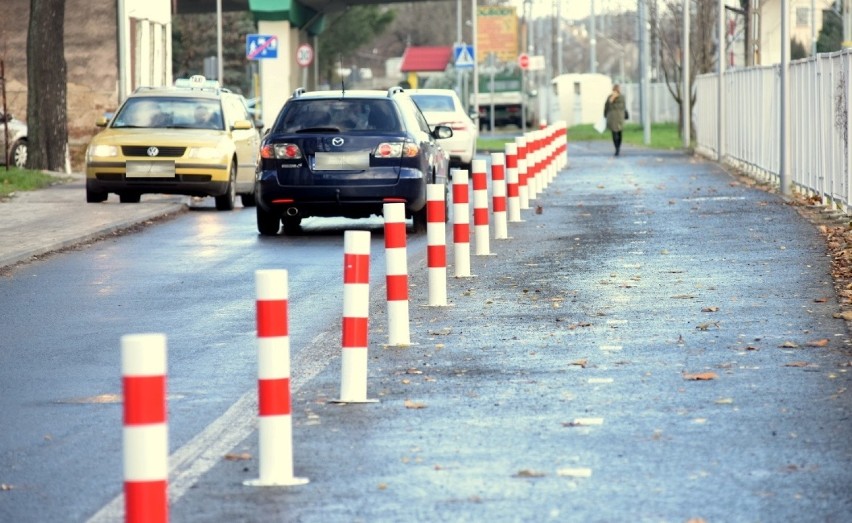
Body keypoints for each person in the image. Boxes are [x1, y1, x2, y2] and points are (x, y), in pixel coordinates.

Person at [603, 84, 627, 156]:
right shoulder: (611, 98)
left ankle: (617, 148)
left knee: (616, 133)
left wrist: (604, 115)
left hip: (616, 118)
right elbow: (607, 106)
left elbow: (607, 108)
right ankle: (617, 148)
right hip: (616, 118)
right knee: (617, 133)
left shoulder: (620, 98)